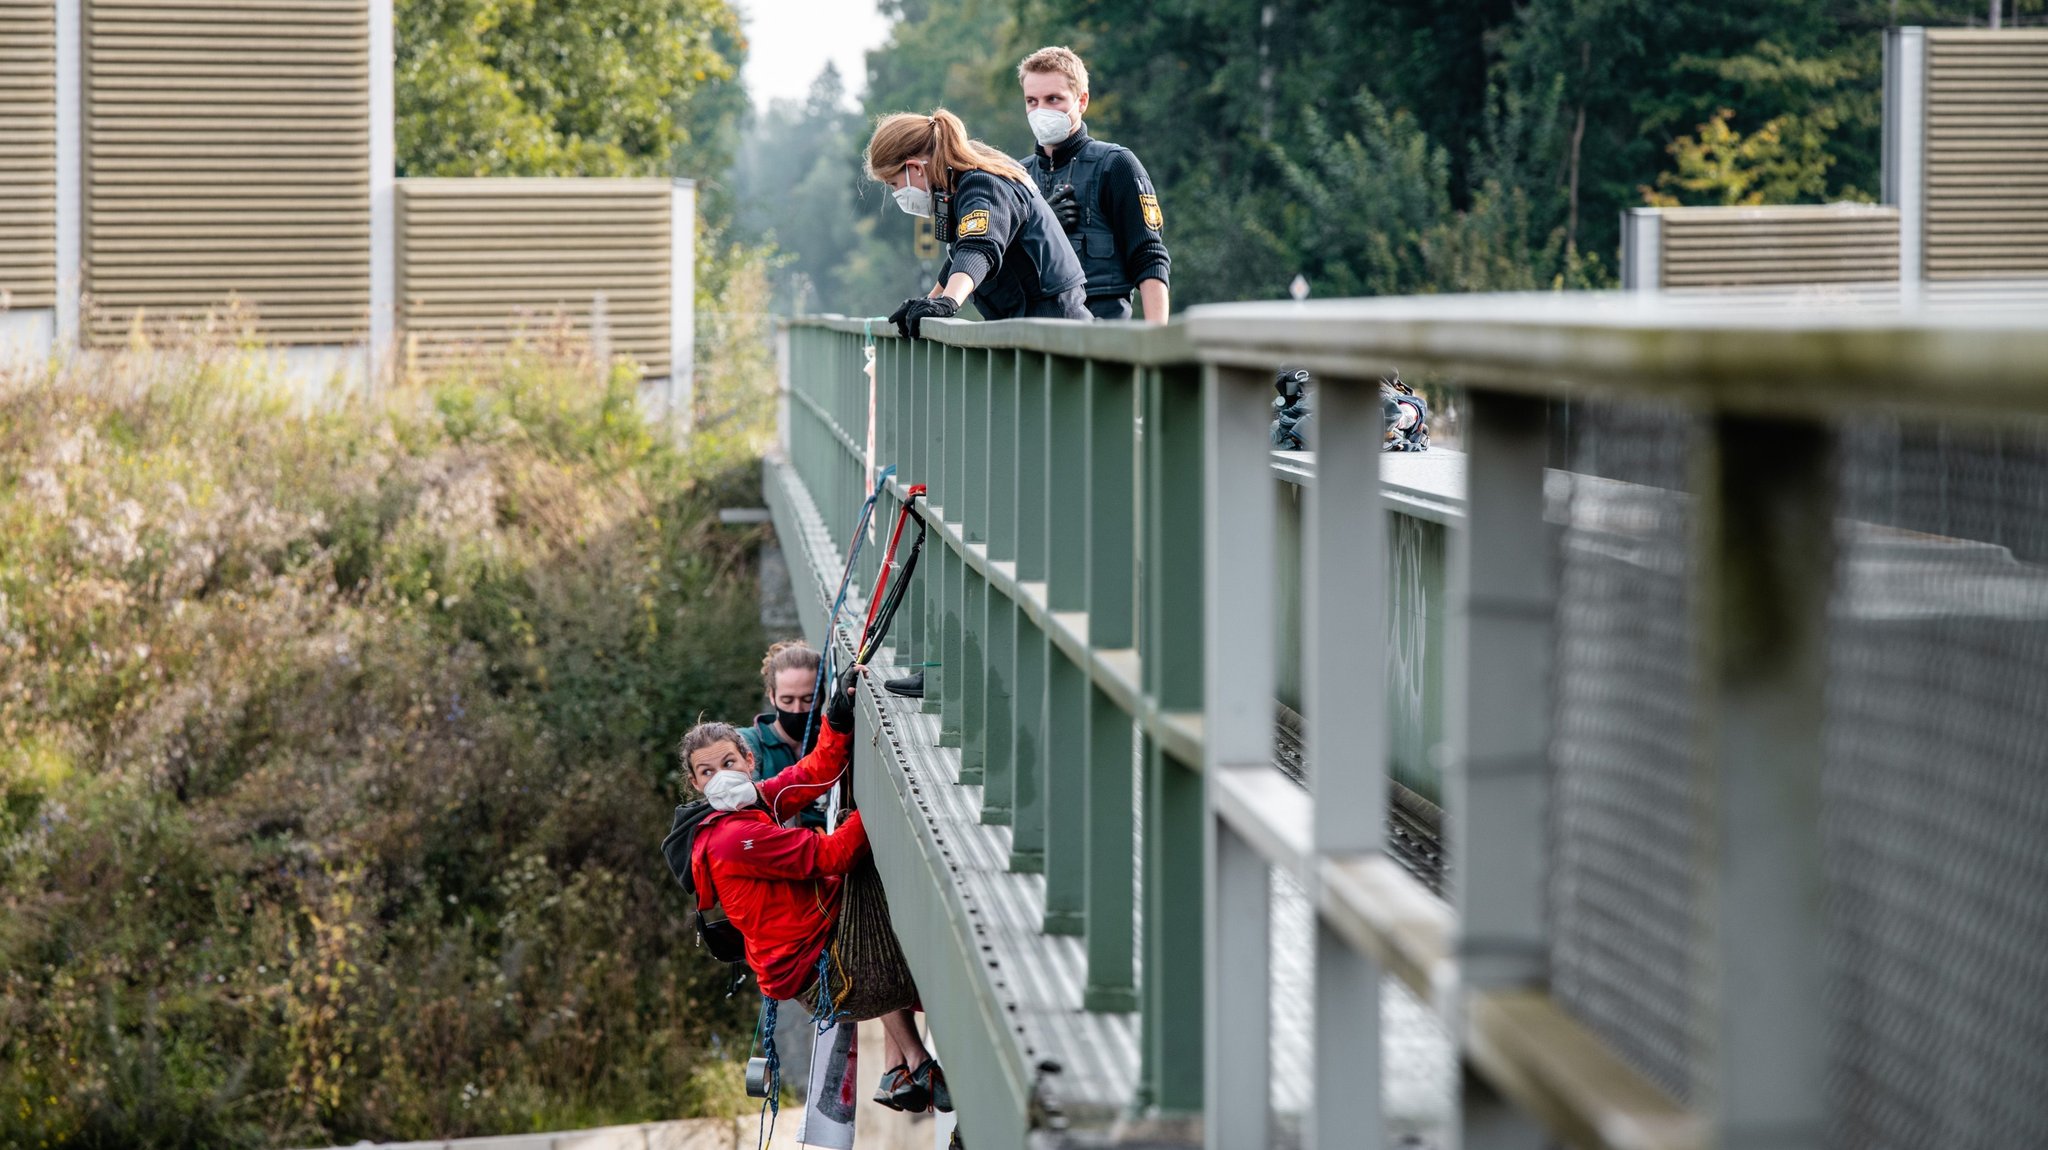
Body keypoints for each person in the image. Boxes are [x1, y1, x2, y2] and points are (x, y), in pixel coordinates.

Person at [674, 671, 951, 1114]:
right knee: (863, 870)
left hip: (823, 941)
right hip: (825, 973)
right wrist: (887, 797)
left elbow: (813, 772)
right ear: (696, 785)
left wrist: (836, 719)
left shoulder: (757, 801)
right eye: (707, 772)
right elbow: (833, 855)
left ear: (748, 760)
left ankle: (904, 1064)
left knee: (858, 866)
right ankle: (910, 1061)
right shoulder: (732, 839)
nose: (721, 777)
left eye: (728, 764)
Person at [868, 109, 1089, 339]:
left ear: (915, 167)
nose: (896, 193)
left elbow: (978, 246)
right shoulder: (963, 182)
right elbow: (961, 252)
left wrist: (949, 301)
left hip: (1054, 332)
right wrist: (930, 301)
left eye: (893, 183)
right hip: (1034, 330)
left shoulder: (982, 184)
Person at [1016, 46, 1172, 323]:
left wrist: (1156, 345)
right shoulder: (1017, 177)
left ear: (1082, 101)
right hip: (1034, 338)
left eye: (1053, 99)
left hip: (1102, 336)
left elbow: (1149, 257)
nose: (1041, 111)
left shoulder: (1116, 165)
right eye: (1032, 101)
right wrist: (1041, 226)